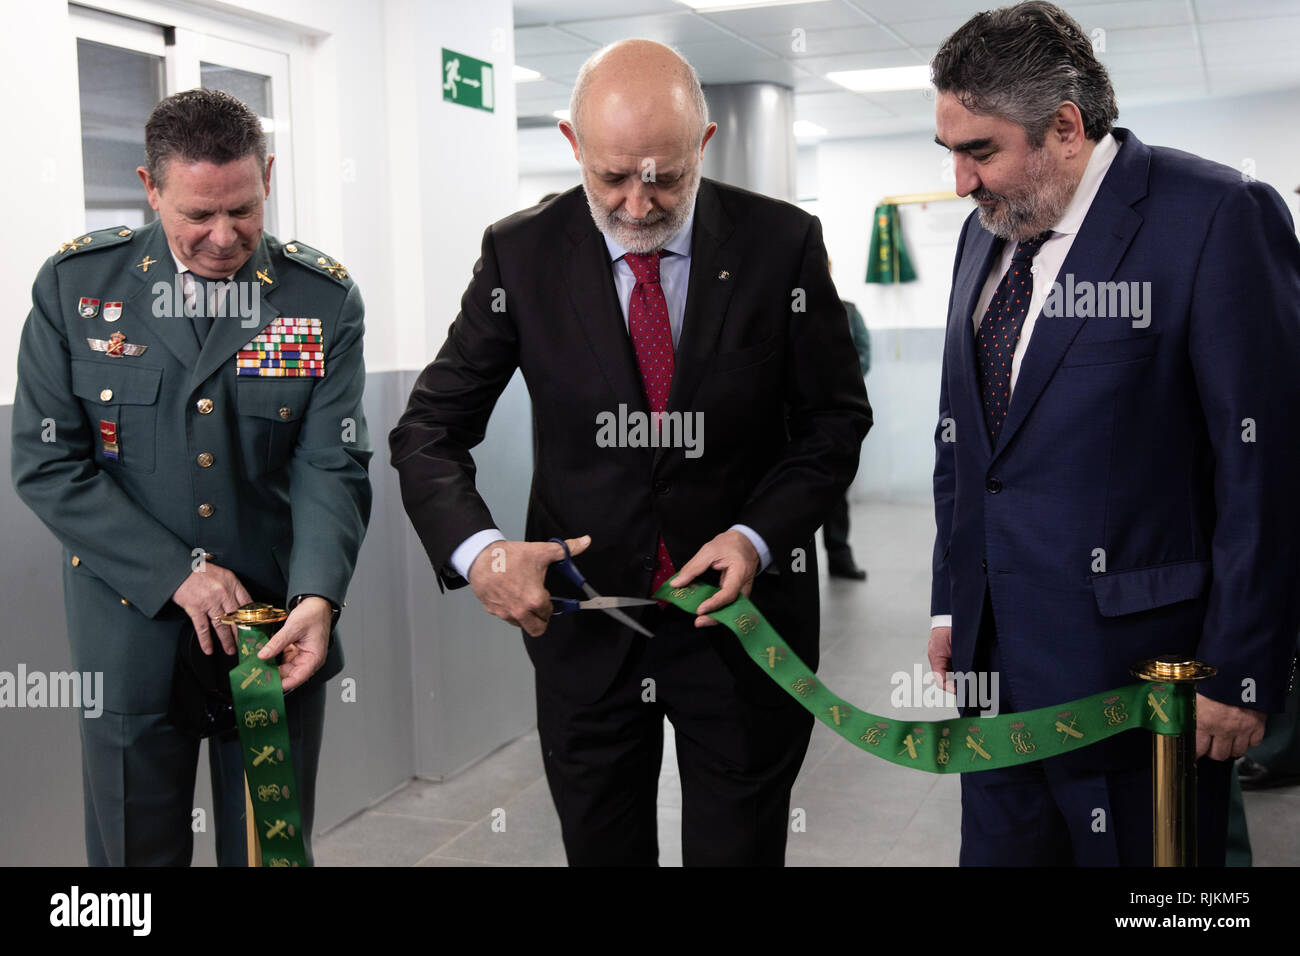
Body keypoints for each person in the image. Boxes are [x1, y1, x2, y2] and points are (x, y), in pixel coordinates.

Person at [390, 38, 871, 866]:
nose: (640, 204)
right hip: (587, 630)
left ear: (704, 145)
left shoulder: (780, 245)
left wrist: (757, 536)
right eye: (612, 178)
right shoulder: (522, 254)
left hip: (744, 627)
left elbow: (833, 422)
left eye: (666, 176)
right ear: (572, 144)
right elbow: (427, 429)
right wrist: (482, 554)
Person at [926, 1, 1300, 866]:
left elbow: (1267, 469)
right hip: (995, 677)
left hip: (1145, 684)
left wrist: (1240, 672)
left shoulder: (1213, 217)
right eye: (948, 151)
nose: (960, 182)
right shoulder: (983, 238)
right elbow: (967, 450)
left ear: (1063, 127)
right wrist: (954, 601)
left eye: (980, 151)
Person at [11, 88, 372, 866]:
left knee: (265, 849)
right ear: (150, 188)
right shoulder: (78, 290)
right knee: (135, 859)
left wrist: (319, 595)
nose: (222, 236)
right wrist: (179, 574)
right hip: (128, 628)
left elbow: (330, 460)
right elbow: (46, 463)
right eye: (196, 215)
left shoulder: (319, 300)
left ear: (268, 175)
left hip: (272, 630)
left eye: (241, 210)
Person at [822, 256, 871, 580]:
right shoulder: (778, 303)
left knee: (834, 489)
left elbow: (864, 354)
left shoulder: (847, 311)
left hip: (832, 414)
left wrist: (842, 383)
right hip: (785, 416)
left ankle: (840, 557)